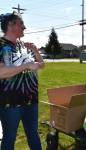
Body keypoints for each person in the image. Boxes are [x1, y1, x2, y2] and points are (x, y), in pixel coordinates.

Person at [0, 12, 44, 149]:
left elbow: (41, 65)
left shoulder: (21, 45)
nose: (25, 27)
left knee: (33, 134)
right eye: (21, 24)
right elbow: (1, 72)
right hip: (10, 104)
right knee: (9, 138)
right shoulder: (1, 45)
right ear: (11, 25)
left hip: (31, 100)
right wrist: (25, 65)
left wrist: (36, 51)